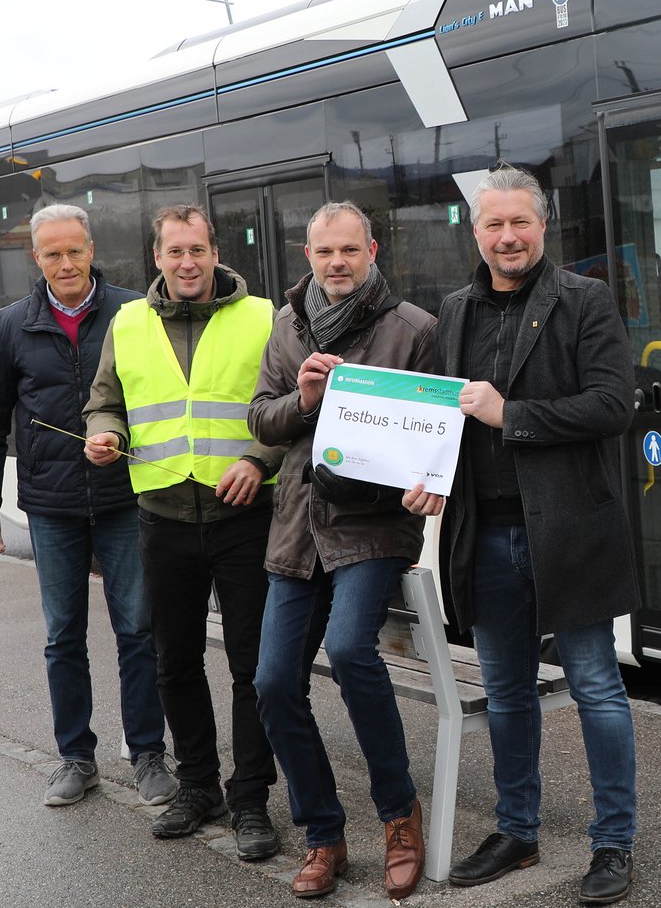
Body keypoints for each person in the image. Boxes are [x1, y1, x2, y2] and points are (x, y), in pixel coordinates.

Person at [403, 166, 641, 906]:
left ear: (544, 227)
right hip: (487, 535)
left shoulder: (584, 300)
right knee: (506, 694)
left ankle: (613, 844)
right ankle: (518, 830)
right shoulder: (456, 311)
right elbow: (447, 420)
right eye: (493, 225)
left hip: (568, 529)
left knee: (597, 688)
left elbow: (612, 404)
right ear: (474, 233)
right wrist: (430, 475)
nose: (507, 237)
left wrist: (514, 416)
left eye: (520, 224)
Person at [248, 201, 438, 900]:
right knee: (272, 681)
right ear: (309, 256)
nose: (337, 263)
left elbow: (438, 430)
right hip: (299, 527)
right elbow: (260, 417)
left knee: (354, 649)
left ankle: (398, 815)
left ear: (372, 252)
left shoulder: (413, 328)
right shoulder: (287, 326)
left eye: (349, 251)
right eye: (325, 252)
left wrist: (428, 485)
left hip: (374, 527)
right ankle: (323, 833)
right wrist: (301, 399)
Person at [83, 204, 284, 860]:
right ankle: (199, 787)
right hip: (162, 518)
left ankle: (251, 797)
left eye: (197, 250)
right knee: (175, 661)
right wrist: (103, 432)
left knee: (254, 667)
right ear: (157, 258)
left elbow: (292, 409)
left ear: (215, 251)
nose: (187, 263)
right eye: (175, 253)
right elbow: (105, 397)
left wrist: (261, 462)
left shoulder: (263, 317)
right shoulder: (130, 321)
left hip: (246, 518)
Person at [0, 204, 176, 810]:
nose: (65, 264)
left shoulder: (135, 312)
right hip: (51, 506)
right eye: (52, 254)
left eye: (74, 251)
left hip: (124, 499)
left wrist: (129, 445)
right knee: (64, 636)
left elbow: (160, 402)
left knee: (138, 630)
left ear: (91, 251)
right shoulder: (10, 326)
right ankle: (75, 758)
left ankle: (147, 754)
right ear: (37, 258)